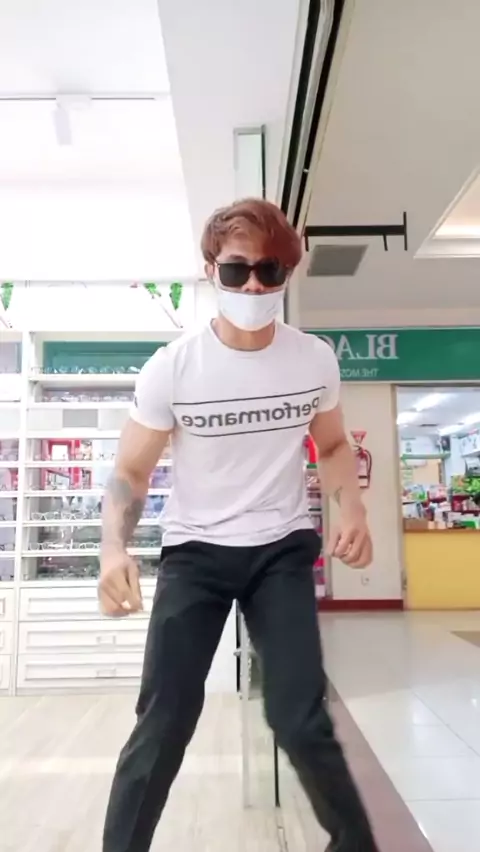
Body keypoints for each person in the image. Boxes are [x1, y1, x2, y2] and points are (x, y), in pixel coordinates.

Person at [99, 198, 378, 852]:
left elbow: (332, 445)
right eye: (236, 270)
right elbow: (131, 470)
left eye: (269, 270)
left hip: (279, 550)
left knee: (299, 719)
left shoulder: (314, 360)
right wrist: (112, 547)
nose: (253, 285)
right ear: (210, 271)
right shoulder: (174, 367)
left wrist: (353, 507)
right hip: (195, 553)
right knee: (164, 721)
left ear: (286, 274)